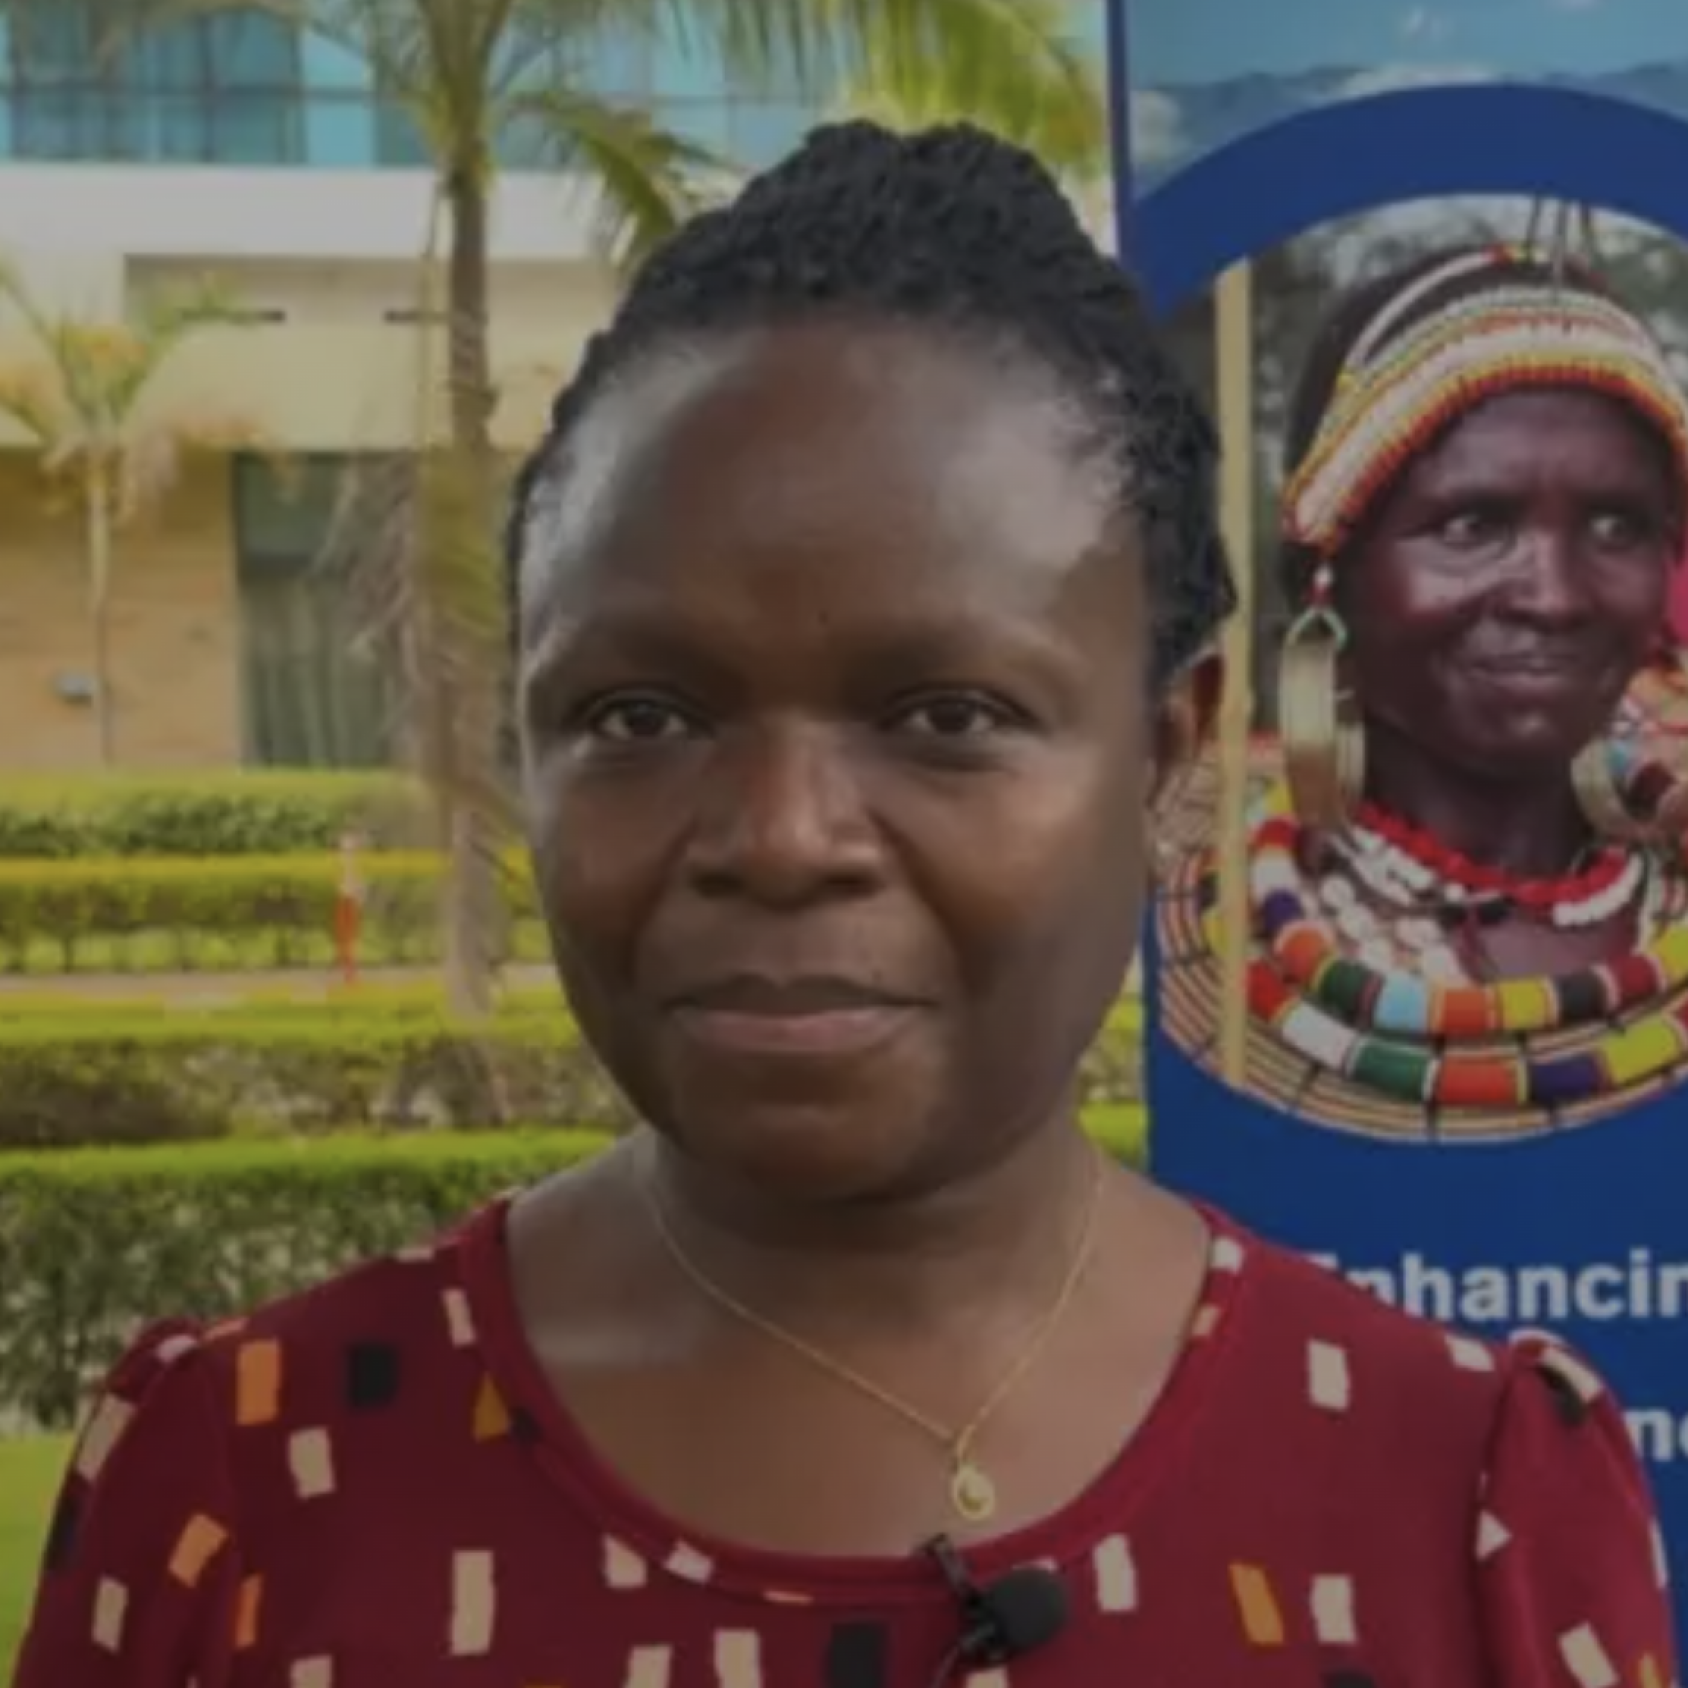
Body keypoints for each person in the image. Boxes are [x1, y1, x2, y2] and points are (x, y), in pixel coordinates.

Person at [14, 130, 1673, 1688]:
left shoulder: (1461, 1499)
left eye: (942, 713)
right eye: (639, 715)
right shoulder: (241, 1486)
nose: (781, 836)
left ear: (1170, 754)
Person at [1157, 243, 1688, 1140]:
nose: (1554, 595)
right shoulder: (1177, 929)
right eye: (1473, 524)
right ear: (1327, 574)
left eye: (1616, 525)